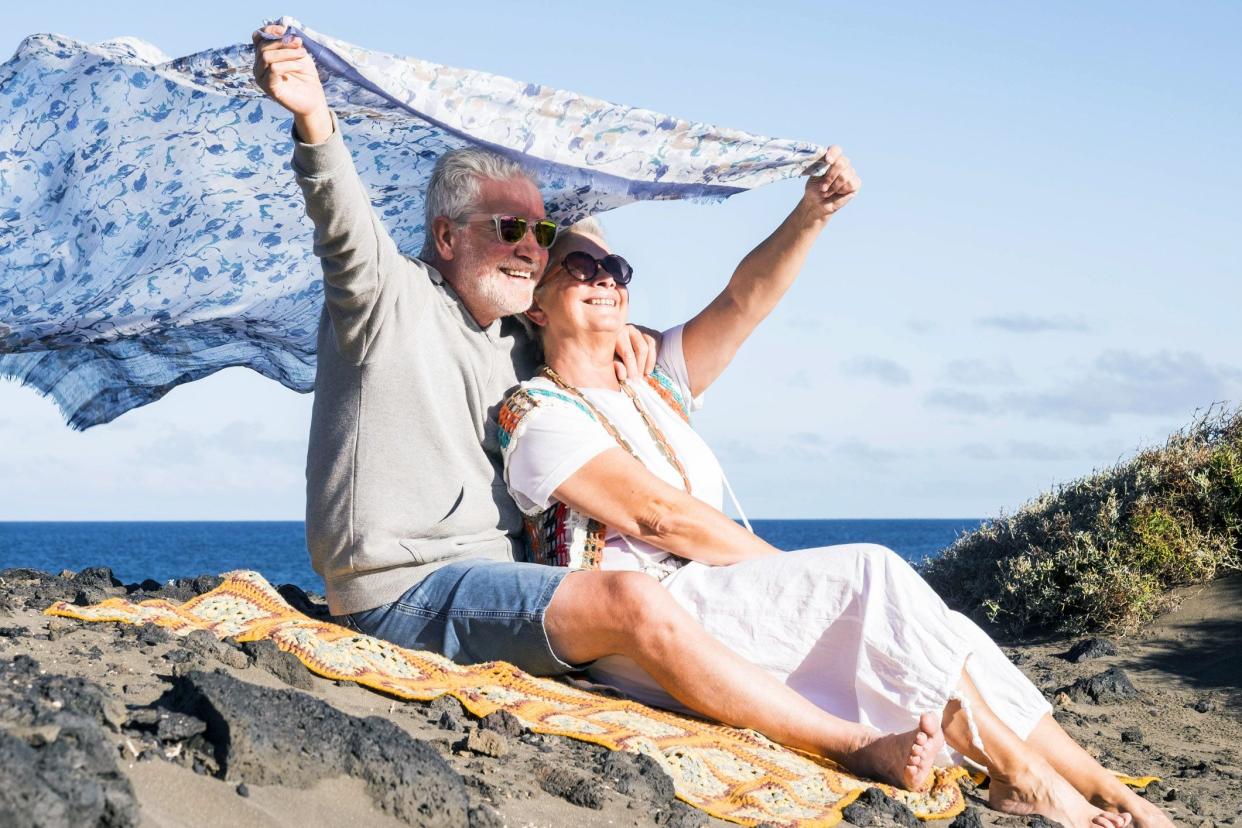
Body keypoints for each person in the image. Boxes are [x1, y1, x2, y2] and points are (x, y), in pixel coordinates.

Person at [249, 23, 952, 793]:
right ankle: (850, 745)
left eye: (541, 233)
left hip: (497, 585)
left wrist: (633, 331)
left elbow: (723, 309)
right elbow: (342, 228)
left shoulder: (520, 340)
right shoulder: (386, 300)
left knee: (680, 609)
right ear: (446, 238)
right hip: (401, 595)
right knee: (630, 597)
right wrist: (314, 121)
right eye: (509, 229)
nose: (531, 248)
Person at [498, 209, 1173, 825]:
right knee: (874, 573)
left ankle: (1105, 786)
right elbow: (659, 517)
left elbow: (744, 300)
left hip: (715, 594)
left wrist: (815, 210)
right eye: (578, 268)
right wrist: (795, 572)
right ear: (535, 303)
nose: (604, 280)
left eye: (614, 269)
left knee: (948, 628)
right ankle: (1021, 771)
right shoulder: (537, 413)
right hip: (652, 622)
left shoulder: (652, 384)